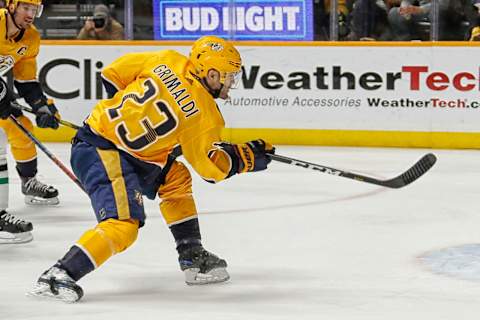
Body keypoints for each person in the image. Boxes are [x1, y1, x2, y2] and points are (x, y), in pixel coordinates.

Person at [28, 35, 275, 303]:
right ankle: (59, 274)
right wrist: (246, 158)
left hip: (103, 140)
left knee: (176, 177)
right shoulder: (206, 116)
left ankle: (192, 254)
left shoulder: (166, 59)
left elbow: (112, 74)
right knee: (123, 226)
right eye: (228, 76)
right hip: (104, 153)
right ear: (212, 74)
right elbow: (210, 168)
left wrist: (133, 119)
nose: (231, 82)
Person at [0, 0, 61, 243]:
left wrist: (41, 107)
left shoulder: (31, 37)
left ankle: (28, 181)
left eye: (35, 10)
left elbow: (26, 81)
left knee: (22, 127)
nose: (30, 14)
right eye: (26, 8)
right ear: (12, 6)